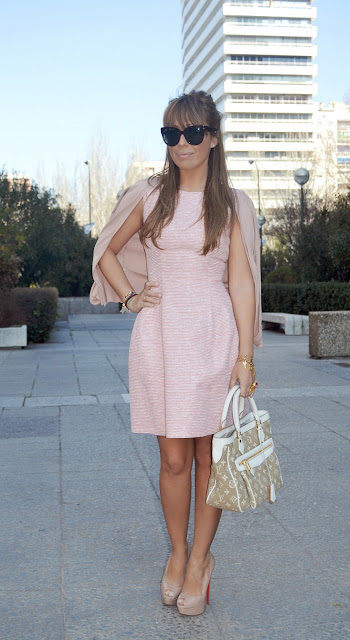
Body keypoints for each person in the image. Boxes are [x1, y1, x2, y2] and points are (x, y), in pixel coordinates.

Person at [90, 90, 262, 616]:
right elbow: (106, 249)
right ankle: (178, 551)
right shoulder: (150, 195)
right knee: (173, 458)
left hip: (213, 336)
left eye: (192, 133)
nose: (181, 143)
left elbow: (241, 283)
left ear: (213, 139)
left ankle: (201, 560)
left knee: (210, 455)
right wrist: (130, 297)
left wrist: (245, 357)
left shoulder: (233, 204)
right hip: (160, 338)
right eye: (171, 133)